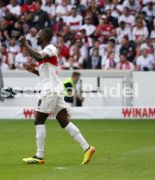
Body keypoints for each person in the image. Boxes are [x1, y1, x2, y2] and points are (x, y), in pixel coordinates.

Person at [19, 28, 95, 164]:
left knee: (39, 121)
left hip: (50, 91)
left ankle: (39, 156)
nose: (37, 35)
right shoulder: (45, 51)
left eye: (39, 33)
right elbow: (46, 73)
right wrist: (34, 71)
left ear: (44, 37)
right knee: (64, 122)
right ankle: (87, 148)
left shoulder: (50, 48)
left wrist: (25, 44)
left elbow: (39, 57)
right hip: (55, 89)